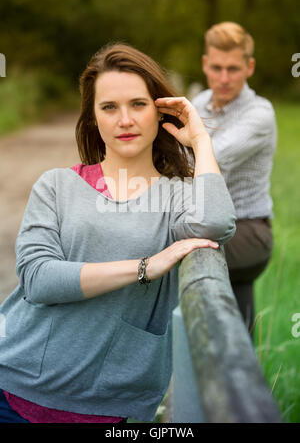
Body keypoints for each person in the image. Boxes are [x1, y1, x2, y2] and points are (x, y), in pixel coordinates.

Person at [0, 43, 236, 423]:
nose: (124, 119)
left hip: (110, 406)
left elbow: (216, 224)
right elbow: (38, 279)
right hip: (15, 391)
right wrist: (145, 267)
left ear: (160, 111)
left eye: (138, 104)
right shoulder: (57, 185)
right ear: (93, 118)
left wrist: (201, 140)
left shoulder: (177, 196)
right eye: (109, 107)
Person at [192, 22, 277, 336]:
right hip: (210, 221)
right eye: (216, 68)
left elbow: (209, 157)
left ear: (249, 67)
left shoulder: (260, 113)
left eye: (233, 68)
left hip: (248, 230)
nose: (223, 78)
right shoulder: (199, 104)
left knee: (181, 246)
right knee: (236, 333)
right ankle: (238, 373)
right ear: (205, 64)